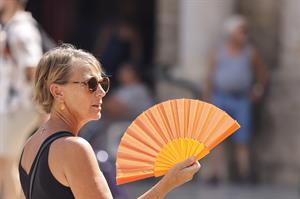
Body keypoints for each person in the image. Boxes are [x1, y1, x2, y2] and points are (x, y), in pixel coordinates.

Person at [18, 44, 201, 199]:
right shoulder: (74, 148)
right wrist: (168, 183)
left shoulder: (30, 144)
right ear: (57, 92)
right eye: (90, 84)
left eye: (102, 83)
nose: (101, 92)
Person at [205, 15, 267, 182]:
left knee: (243, 138)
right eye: (242, 31)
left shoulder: (250, 51)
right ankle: (214, 173)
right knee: (215, 139)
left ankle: (244, 173)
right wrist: (209, 98)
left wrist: (258, 90)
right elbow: (210, 76)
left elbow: (261, 72)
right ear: (232, 33)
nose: (245, 35)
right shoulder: (219, 51)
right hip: (221, 96)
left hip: (241, 99)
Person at [0, 0, 43, 198]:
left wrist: (44, 109)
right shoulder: (10, 26)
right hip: (12, 107)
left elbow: (34, 70)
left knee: (6, 161)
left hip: (22, 107)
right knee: (10, 161)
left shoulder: (21, 29)